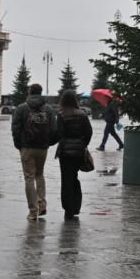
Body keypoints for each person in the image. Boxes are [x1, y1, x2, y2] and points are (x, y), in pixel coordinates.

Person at [11, 83, 56, 220]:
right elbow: (54, 129)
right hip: (42, 148)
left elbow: (15, 129)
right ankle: (42, 204)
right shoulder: (48, 109)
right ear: (41, 92)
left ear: (30, 92)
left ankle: (33, 211)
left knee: (29, 177)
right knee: (40, 174)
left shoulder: (22, 108)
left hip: (27, 148)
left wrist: (19, 145)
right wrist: (48, 143)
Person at [54, 89, 93, 220]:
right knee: (74, 178)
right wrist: (83, 144)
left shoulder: (61, 114)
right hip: (78, 152)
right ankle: (76, 206)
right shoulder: (82, 114)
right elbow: (88, 132)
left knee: (66, 180)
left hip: (65, 153)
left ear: (63, 101)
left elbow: (59, 134)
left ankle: (68, 210)